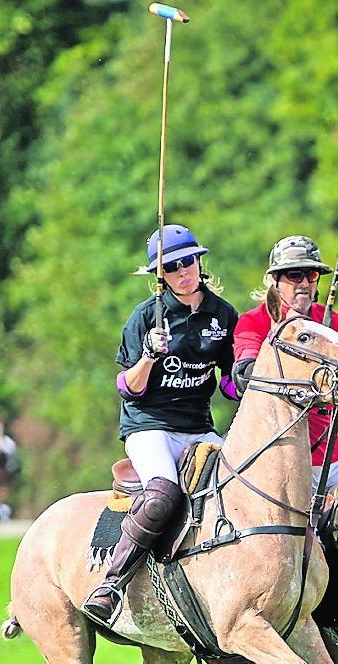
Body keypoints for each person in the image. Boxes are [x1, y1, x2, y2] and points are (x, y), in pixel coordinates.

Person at [83, 224, 239, 625]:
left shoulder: (223, 315)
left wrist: (244, 378)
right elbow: (127, 388)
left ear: (200, 262)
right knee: (163, 494)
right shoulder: (144, 318)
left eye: (189, 261)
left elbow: (227, 384)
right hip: (149, 425)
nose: (184, 271)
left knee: (241, 484)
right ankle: (112, 584)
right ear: (161, 276)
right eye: (172, 267)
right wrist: (149, 357)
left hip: (198, 425)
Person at [232, 235, 338, 491]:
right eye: (295, 275)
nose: (304, 283)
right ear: (275, 281)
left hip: (336, 452)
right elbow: (244, 375)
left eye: (312, 276)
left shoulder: (333, 323)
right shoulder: (253, 322)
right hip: (279, 456)